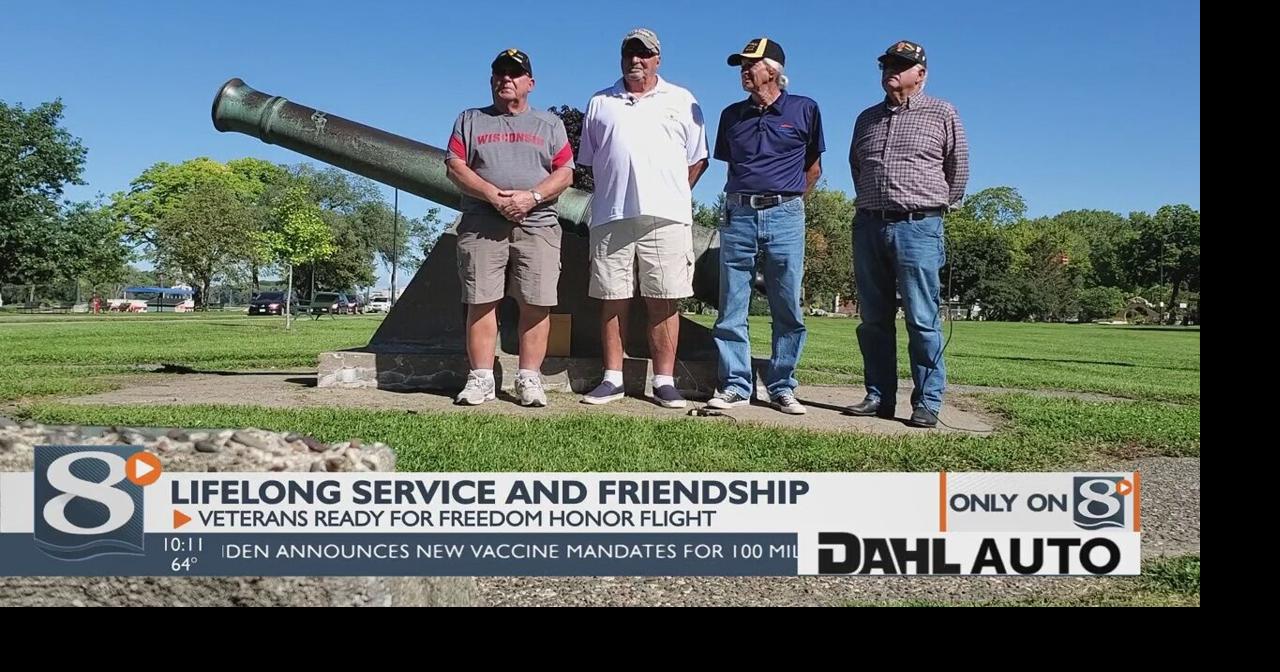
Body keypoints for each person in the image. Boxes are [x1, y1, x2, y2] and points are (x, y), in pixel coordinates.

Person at [577, 28, 709, 409]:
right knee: (612, 297)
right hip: (611, 215)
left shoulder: (683, 100)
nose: (637, 60)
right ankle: (612, 378)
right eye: (630, 53)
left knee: (664, 298)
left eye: (645, 54)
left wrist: (673, 192)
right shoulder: (600, 102)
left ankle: (664, 381)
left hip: (666, 217)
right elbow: (590, 159)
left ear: (657, 59)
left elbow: (698, 158)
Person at [847, 40, 969, 428]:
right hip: (869, 223)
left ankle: (928, 401)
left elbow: (958, 168)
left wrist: (933, 208)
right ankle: (878, 395)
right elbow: (857, 167)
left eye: (901, 65)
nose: (891, 71)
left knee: (921, 318)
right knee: (873, 319)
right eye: (886, 64)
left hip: (919, 226)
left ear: (922, 73)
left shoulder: (942, 112)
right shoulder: (866, 118)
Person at [445, 48, 576, 407]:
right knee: (480, 301)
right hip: (482, 222)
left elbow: (565, 171)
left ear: (530, 83)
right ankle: (481, 379)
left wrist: (531, 197)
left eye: (515, 74)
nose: (506, 78)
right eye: (500, 73)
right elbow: (455, 166)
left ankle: (529, 379)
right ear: (491, 81)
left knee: (537, 302)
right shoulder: (470, 119)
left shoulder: (549, 124)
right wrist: (492, 195)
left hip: (538, 222)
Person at [707, 37, 824, 415]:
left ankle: (781, 385)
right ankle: (736, 385)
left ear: (772, 70)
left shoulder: (805, 109)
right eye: (741, 65)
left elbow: (813, 168)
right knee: (731, 306)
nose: (744, 71)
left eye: (750, 64)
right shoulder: (731, 115)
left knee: (787, 305)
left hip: (786, 214)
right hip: (738, 214)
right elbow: (732, 167)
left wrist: (787, 203)